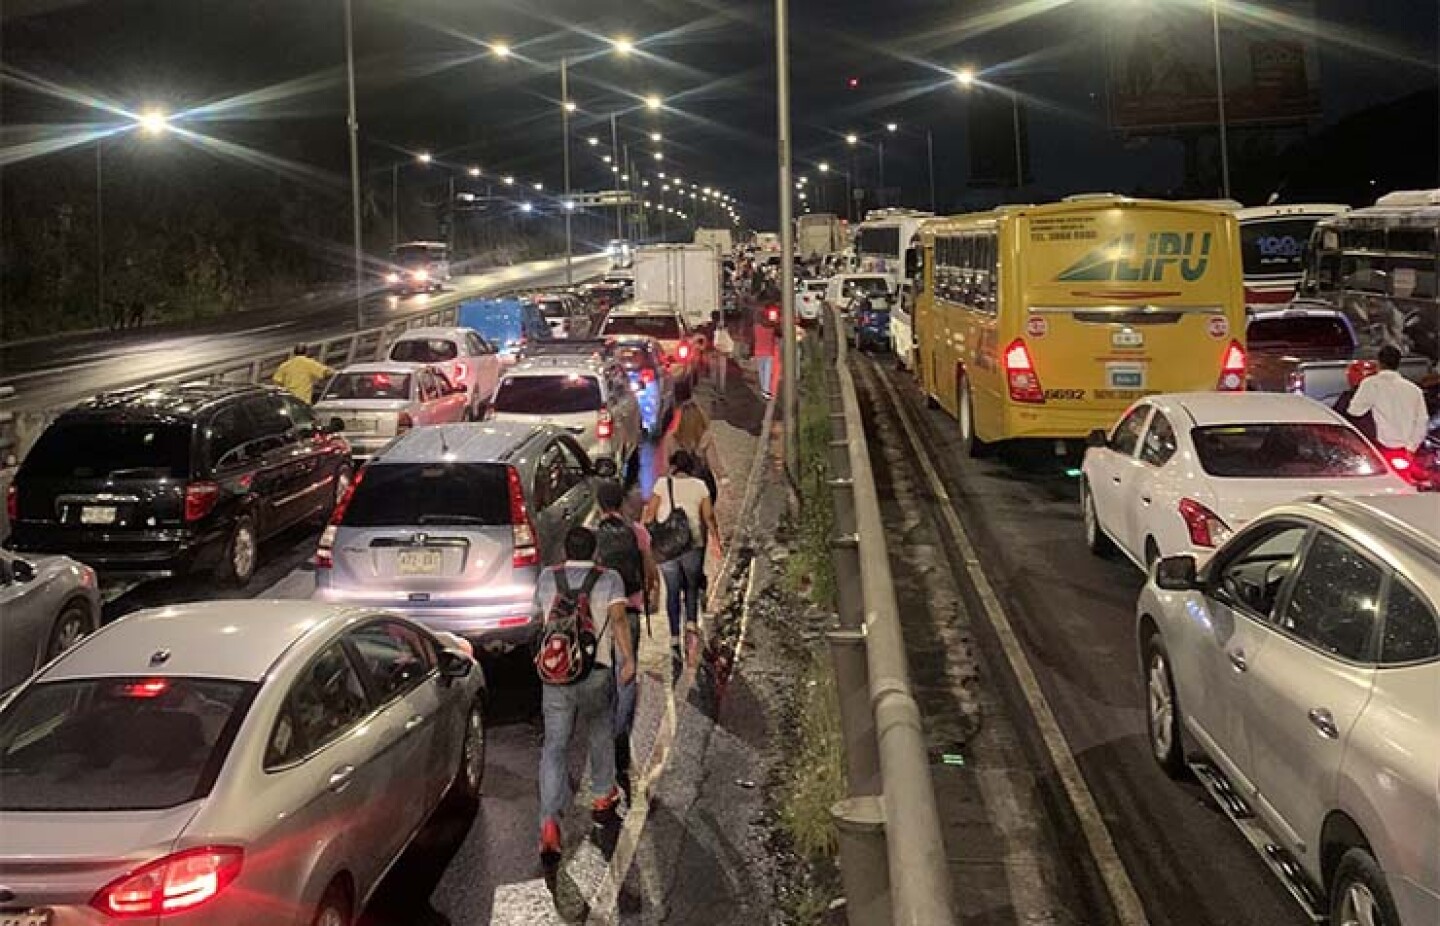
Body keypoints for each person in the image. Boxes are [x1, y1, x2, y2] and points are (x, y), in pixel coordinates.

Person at [534, 526, 637, 862]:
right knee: (599, 732)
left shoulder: (549, 577)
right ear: (595, 552)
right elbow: (619, 619)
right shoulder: (610, 578)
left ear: (566, 550)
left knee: (554, 746)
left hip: (556, 673)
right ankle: (602, 796)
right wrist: (628, 659)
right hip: (596, 671)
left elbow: (541, 619)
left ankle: (549, 822)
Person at [592, 481, 659, 802]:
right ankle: (620, 740)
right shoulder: (637, 533)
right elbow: (650, 571)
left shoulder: (591, 536)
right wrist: (652, 594)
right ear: (622, 502)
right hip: (629, 614)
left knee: (603, 681)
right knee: (627, 680)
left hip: (600, 614)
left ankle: (606, 744)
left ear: (599, 504)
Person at [644, 450, 722, 665]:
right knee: (691, 587)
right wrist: (716, 540)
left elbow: (649, 515)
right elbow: (708, 516)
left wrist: (652, 535)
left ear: (673, 467)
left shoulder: (661, 484)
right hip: (692, 545)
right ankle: (691, 625)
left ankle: (674, 639)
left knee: (671, 591)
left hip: (668, 548)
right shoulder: (700, 486)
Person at [1347, 344, 1429, 454]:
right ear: (1398, 363)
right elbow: (1422, 422)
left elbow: (1354, 411)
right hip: (1408, 449)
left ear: (1379, 362)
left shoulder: (1371, 384)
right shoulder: (1414, 390)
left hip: (1379, 448)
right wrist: (1411, 448)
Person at [659, 400, 726, 501]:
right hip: (702, 485)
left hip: (678, 487)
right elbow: (714, 462)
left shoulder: (670, 438)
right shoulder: (705, 437)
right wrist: (723, 477)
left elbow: (664, 466)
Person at [1333, 359, 1379, 443]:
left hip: (1359, 443)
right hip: (1374, 443)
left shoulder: (1347, 398)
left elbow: (1335, 420)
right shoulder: (1383, 395)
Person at [752, 308, 778, 400]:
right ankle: (765, 390)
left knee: (761, 371)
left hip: (758, 351)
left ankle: (764, 388)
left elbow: (753, 339)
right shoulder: (771, 328)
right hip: (769, 351)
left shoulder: (756, 327)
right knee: (767, 371)